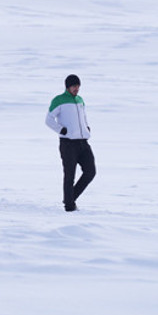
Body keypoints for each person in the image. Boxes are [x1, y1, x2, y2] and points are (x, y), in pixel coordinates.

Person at [45, 74, 96, 212]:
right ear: (67, 87)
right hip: (68, 144)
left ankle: (70, 197)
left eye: (78, 86)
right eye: (74, 86)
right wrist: (61, 130)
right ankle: (69, 206)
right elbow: (48, 120)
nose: (77, 89)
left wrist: (87, 128)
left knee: (91, 171)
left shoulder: (80, 100)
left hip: (83, 142)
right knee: (69, 175)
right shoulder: (59, 100)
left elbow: (83, 118)